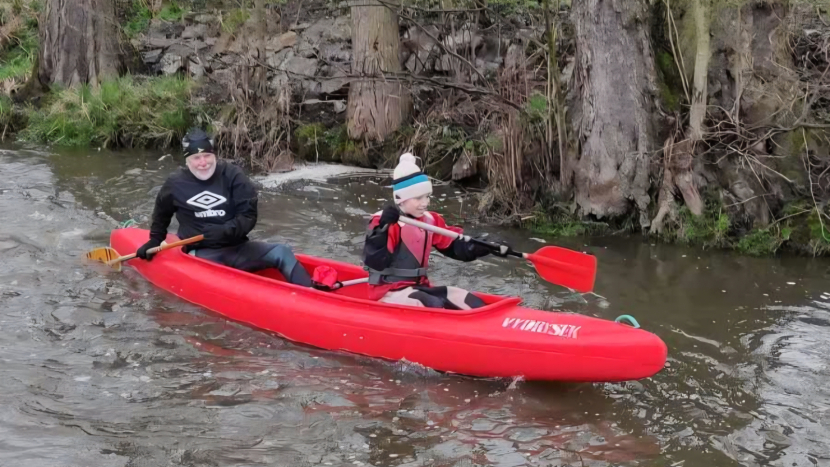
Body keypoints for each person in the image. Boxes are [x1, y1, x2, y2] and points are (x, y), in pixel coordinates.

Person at [135, 128, 313, 287]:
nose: (203, 162)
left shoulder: (233, 175)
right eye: (197, 158)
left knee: (282, 252)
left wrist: (225, 231)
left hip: (237, 247)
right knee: (226, 281)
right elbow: (161, 215)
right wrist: (154, 240)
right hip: (201, 254)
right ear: (188, 160)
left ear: (214, 156)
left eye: (207, 156)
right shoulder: (175, 183)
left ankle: (312, 293)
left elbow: (248, 215)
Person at [362, 153, 504, 309]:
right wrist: (383, 228)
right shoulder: (384, 222)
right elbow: (374, 261)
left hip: (420, 287)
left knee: (469, 300)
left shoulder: (431, 220)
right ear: (400, 198)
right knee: (433, 304)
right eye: (418, 198)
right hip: (389, 292)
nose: (425, 203)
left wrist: (486, 246)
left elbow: (457, 247)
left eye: (427, 196)